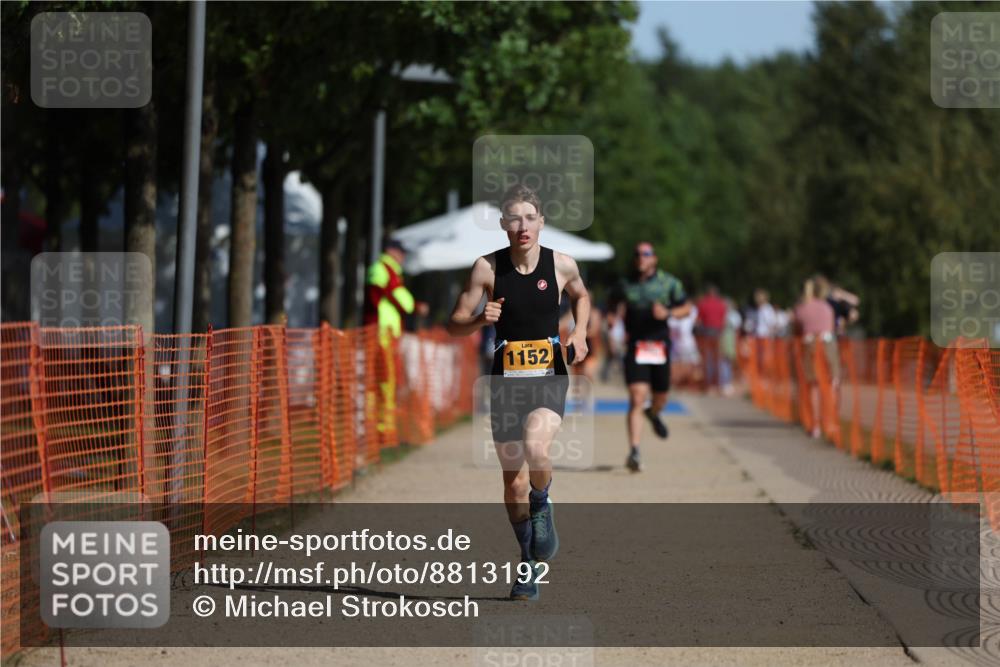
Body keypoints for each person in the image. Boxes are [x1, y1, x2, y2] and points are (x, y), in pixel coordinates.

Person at [446, 184, 590, 601]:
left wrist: (579, 332)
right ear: (504, 225)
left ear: (541, 222)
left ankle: (542, 504)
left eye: (530, 217)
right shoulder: (486, 269)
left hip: (549, 375)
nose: (522, 226)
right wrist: (478, 320)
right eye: (514, 218)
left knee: (536, 446)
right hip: (505, 383)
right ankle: (527, 561)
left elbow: (582, 296)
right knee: (512, 485)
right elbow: (454, 322)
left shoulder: (561, 265)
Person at [608, 242, 690, 473]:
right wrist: (613, 316)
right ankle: (634, 451)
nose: (641, 258)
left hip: (659, 346)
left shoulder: (668, 283)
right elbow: (613, 301)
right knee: (636, 397)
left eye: (645, 254)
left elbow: (687, 308)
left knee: (660, 397)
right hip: (635, 345)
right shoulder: (625, 284)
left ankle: (653, 413)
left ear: (654, 258)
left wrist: (668, 312)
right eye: (637, 254)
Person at [363, 239, 419, 447]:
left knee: (388, 379)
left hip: (387, 332)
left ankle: (385, 428)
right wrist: (411, 304)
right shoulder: (382, 269)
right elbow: (392, 298)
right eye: (401, 252)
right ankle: (380, 429)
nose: (403, 256)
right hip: (381, 332)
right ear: (390, 251)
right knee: (384, 378)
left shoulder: (391, 271)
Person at [794, 277, 839, 439]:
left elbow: (796, 329)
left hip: (809, 346)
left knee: (812, 386)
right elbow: (833, 326)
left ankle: (815, 426)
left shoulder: (801, 308)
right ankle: (831, 423)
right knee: (831, 384)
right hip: (828, 345)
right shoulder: (828, 308)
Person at [695, 285, 727, 391]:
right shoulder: (721, 304)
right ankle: (717, 384)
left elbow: (698, 320)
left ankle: (707, 385)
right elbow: (724, 319)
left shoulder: (702, 303)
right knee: (717, 360)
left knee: (706, 360)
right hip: (717, 333)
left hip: (706, 333)